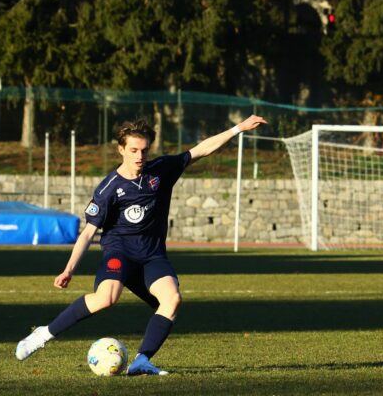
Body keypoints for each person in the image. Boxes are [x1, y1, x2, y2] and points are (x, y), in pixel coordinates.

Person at [15, 115, 267, 375]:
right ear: (121, 149)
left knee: (172, 300)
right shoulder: (109, 189)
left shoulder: (160, 170)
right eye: (133, 150)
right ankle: (42, 335)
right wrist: (68, 269)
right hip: (119, 253)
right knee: (106, 299)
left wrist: (238, 128)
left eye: (144, 150)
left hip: (152, 256)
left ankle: (141, 360)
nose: (139, 156)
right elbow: (88, 232)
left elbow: (200, 150)